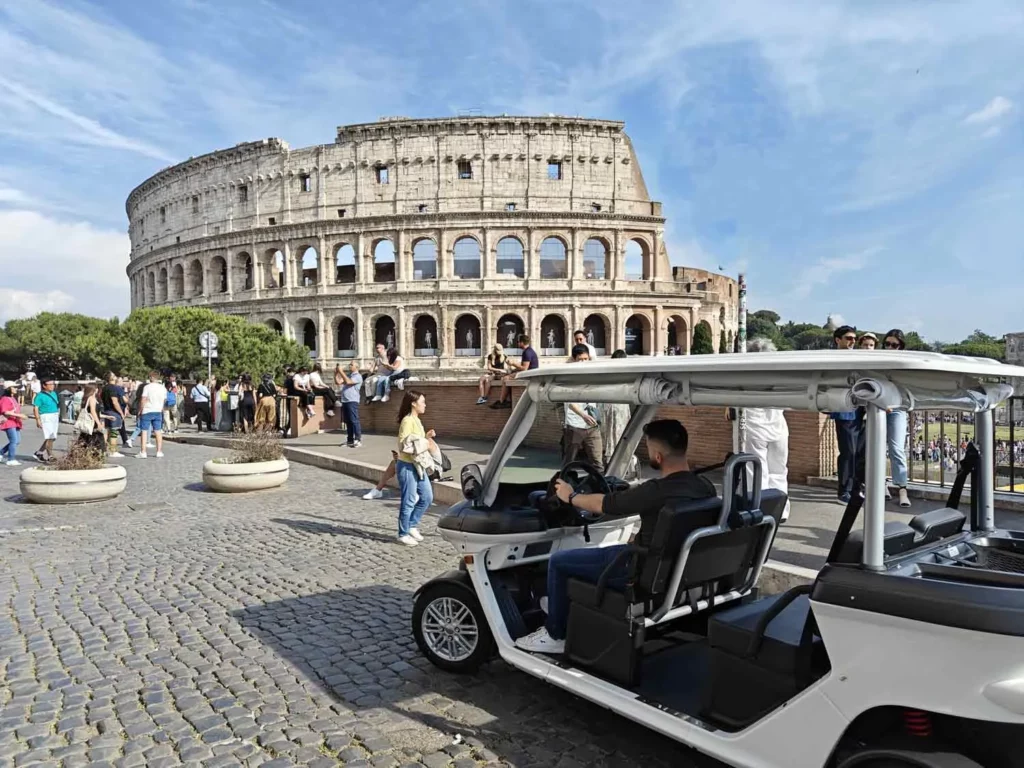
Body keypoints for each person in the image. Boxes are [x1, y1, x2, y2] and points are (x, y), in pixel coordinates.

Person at [515, 419, 716, 654]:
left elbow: (604, 503)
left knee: (558, 562)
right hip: (676, 568)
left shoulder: (654, 491)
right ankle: (560, 603)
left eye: (649, 448)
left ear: (658, 456)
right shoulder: (705, 486)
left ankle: (555, 634)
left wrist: (570, 497)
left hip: (637, 570)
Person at [737, 338, 791, 521]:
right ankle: (780, 510)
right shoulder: (780, 374)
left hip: (754, 425)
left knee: (756, 470)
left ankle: (760, 509)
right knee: (778, 470)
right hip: (777, 426)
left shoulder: (746, 374)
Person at [395, 390, 434, 546]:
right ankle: (403, 533)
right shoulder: (407, 420)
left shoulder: (417, 420)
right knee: (409, 499)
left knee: (427, 497)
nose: (425, 405)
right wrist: (424, 442)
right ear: (413, 403)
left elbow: (417, 441)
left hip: (418, 464)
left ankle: (412, 524)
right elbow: (404, 444)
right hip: (407, 465)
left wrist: (426, 437)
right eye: (422, 402)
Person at [561, 345, 603, 472]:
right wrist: (583, 415)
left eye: (586, 359)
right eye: (581, 359)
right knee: (569, 462)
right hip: (574, 425)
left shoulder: (592, 374)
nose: (584, 362)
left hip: (592, 426)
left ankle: (600, 489)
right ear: (574, 359)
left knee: (597, 462)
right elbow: (569, 401)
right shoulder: (568, 376)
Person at [830, 325, 860, 503]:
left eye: (854, 339)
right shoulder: (832, 359)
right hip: (844, 410)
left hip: (860, 411)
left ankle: (854, 487)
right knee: (848, 451)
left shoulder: (857, 357)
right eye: (848, 338)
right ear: (838, 340)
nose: (852, 342)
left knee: (857, 452)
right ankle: (844, 491)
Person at [882, 329, 911, 508]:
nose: (890, 347)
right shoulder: (878, 361)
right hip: (878, 407)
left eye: (894, 345)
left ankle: (902, 489)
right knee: (877, 449)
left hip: (898, 408)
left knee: (896, 448)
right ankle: (882, 484)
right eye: (887, 344)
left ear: (901, 347)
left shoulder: (904, 363)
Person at [599, 350, 638, 478]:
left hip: (614, 406)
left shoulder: (610, 372)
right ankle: (622, 469)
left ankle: (617, 468)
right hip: (616, 406)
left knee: (614, 436)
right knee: (618, 435)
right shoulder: (624, 372)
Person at [491, 334, 539, 409]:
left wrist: (513, 363)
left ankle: (502, 401)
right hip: (529, 373)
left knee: (505, 379)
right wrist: (513, 370)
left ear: (522, 343)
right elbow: (525, 366)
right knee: (508, 375)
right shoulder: (529, 351)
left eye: (518, 342)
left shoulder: (527, 352)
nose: (518, 343)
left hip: (529, 375)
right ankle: (507, 400)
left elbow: (524, 368)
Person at [136, 371, 166, 459]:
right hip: (158, 410)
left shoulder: (147, 387)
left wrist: (140, 410)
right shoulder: (162, 388)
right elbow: (164, 400)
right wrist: (161, 407)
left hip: (147, 410)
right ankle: (159, 451)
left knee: (144, 431)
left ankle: (143, 452)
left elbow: (143, 399)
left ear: (151, 377)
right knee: (158, 431)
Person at [32, 377, 60, 463]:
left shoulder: (54, 394)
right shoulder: (40, 396)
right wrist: (37, 420)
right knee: (49, 436)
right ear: (44, 386)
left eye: (53, 384)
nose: (52, 386)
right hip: (46, 416)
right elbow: (35, 408)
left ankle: (39, 453)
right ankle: (50, 456)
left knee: (53, 437)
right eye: (50, 384)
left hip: (54, 415)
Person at [335, 362, 363, 447]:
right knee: (348, 421)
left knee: (354, 420)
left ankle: (357, 439)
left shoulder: (358, 376)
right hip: (345, 400)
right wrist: (336, 373)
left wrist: (341, 371)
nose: (349, 366)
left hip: (352, 400)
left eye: (351, 365)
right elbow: (338, 382)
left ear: (356, 367)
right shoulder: (349, 375)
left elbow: (348, 381)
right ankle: (350, 440)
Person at [100, 373, 126, 458]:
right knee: (114, 432)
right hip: (113, 412)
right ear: (111, 378)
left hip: (105, 411)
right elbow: (114, 401)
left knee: (106, 432)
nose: (116, 376)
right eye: (114, 375)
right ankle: (113, 451)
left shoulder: (104, 388)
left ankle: (105, 450)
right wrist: (121, 413)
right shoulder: (113, 388)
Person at [1, 381, 26, 466]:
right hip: (9, 422)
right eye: (14, 387)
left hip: (15, 422)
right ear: (9, 389)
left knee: (17, 441)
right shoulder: (4, 399)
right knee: (14, 440)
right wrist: (19, 415)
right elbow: (5, 412)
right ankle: (10, 459)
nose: (16, 389)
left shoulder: (13, 398)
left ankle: (1, 452)